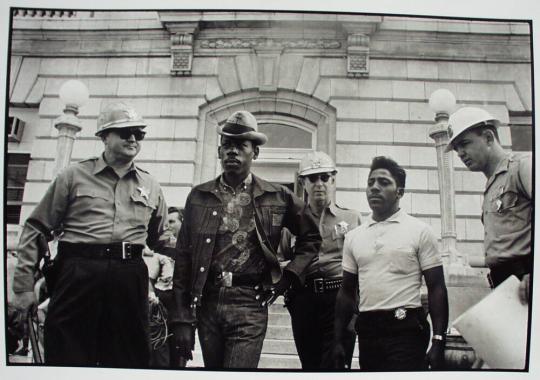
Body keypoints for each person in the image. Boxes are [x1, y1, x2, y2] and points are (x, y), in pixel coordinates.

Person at [10, 102, 168, 367]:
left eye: (138, 134)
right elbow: (36, 228)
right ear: (104, 137)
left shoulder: (150, 184)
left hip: (128, 277)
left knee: (127, 357)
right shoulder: (73, 176)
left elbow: (161, 238)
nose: (133, 138)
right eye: (124, 132)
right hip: (78, 273)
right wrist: (23, 287)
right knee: (67, 352)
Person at [171, 110, 322, 369]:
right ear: (219, 152)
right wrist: (182, 319)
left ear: (255, 153)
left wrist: (286, 279)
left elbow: (311, 237)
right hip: (208, 301)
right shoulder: (199, 196)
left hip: (250, 302)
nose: (232, 152)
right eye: (227, 145)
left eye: (241, 145)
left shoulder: (278, 196)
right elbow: (183, 259)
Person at [334, 156, 448, 370]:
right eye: (370, 183)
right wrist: (338, 340)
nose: (374, 188)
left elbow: (437, 287)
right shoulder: (354, 237)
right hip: (368, 333)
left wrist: (439, 340)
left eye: (384, 182)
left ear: (400, 191)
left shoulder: (420, 231)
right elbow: (347, 292)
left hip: (406, 330)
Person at [281, 151, 361, 369]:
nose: (319, 184)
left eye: (324, 177)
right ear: (302, 183)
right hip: (304, 300)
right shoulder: (292, 222)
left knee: (337, 363)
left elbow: (362, 264)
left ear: (333, 180)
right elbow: (283, 258)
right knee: (310, 365)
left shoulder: (351, 219)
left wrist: (357, 307)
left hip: (339, 298)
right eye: (312, 178)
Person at [446, 107, 532, 303]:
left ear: (488, 137)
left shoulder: (522, 166)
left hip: (527, 278)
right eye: (457, 147)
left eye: (465, 144)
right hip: (505, 283)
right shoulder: (492, 185)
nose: (460, 153)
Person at [147, 207, 185, 368]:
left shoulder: (190, 249)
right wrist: (151, 295)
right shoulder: (159, 249)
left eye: (172, 221)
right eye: (166, 222)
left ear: (182, 222)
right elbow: (150, 278)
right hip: (161, 305)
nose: (168, 225)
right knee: (160, 352)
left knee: (180, 354)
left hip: (182, 307)